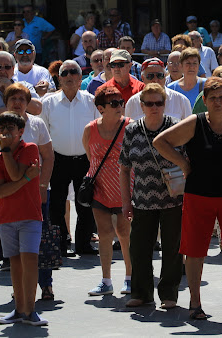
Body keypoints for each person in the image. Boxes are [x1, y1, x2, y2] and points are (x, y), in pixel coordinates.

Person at [153, 77, 222, 320]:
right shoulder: (196, 122)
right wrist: (183, 163)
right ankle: (195, 302)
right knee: (195, 250)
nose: (217, 101)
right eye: (212, 97)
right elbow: (160, 141)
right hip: (199, 194)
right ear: (203, 100)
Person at [0, 83, 54, 291]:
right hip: (6, 195)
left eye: (22, 99)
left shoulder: (37, 124)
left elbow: (48, 157)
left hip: (34, 195)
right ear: (6, 103)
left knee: (41, 241)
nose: (17, 103)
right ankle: (20, 293)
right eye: (13, 99)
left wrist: (43, 185)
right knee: (15, 252)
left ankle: (46, 285)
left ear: (27, 103)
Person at [119, 84, 183, 308]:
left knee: (172, 249)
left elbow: (188, 161)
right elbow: (124, 167)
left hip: (173, 199)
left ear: (165, 104)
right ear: (141, 105)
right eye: (149, 103)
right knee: (139, 248)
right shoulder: (132, 130)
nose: (154, 107)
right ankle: (141, 293)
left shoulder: (176, 127)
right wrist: (126, 202)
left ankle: (169, 294)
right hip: (142, 200)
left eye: (159, 103)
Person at [0, 111, 47, 326]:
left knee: (29, 260)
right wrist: (26, 177)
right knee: (14, 263)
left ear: (20, 132)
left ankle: (30, 311)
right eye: (1, 129)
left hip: (30, 215)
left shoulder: (29, 148)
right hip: (6, 217)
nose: (5, 133)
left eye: (10, 129)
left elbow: (12, 177)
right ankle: (19, 309)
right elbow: (1, 192)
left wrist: (6, 154)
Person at [40, 60, 99, 257]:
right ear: (58, 77)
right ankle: (61, 243)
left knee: (85, 203)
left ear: (80, 77)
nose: (69, 76)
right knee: (56, 204)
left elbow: (98, 131)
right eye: (64, 73)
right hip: (57, 160)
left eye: (74, 72)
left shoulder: (91, 101)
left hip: (85, 159)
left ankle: (83, 244)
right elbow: (44, 133)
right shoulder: (47, 103)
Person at [83, 86, 131, 296]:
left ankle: (130, 278)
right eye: (114, 103)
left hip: (125, 188)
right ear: (101, 108)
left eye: (121, 102)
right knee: (104, 234)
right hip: (100, 189)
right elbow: (90, 157)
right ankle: (106, 280)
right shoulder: (90, 129)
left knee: (124, 234)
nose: (119, 106)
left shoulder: (130, 126)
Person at [0, 51, 41, 144]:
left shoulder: (25, 86)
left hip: (24, 146)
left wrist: (10, 88)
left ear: (13, 70)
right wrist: (19, 107)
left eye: (7, 67)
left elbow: (37, 109)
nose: (2, 70)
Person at [125, 58, 191, 120]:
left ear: (165, 76)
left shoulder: (181, 101)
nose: (155, 80)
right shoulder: (132, 103)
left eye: (159, 75)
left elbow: (189, 128)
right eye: (150, 76)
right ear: (143, 78)